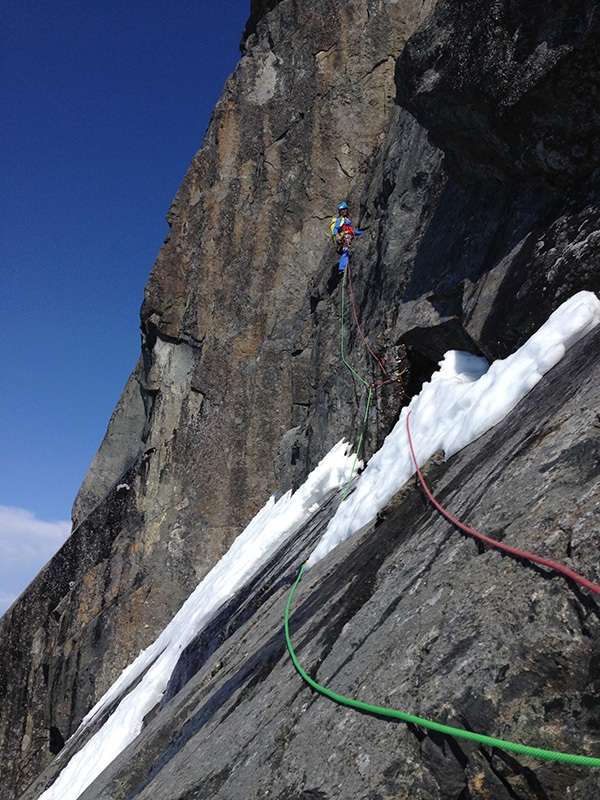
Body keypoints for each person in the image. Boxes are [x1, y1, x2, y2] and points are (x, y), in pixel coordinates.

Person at [330, 202, 364, 271]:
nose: (344, 211)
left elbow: (353, 231)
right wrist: (337, 235)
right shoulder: (340, 219)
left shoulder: (346, 220)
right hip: (345, 237)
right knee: (346, 251)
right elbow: (335, 228)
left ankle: (342, 266)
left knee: (347, 250)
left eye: (345, 209)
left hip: (349, 236)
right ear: (339, 211)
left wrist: (362, 232)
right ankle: (342, 267)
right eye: (342, 210)